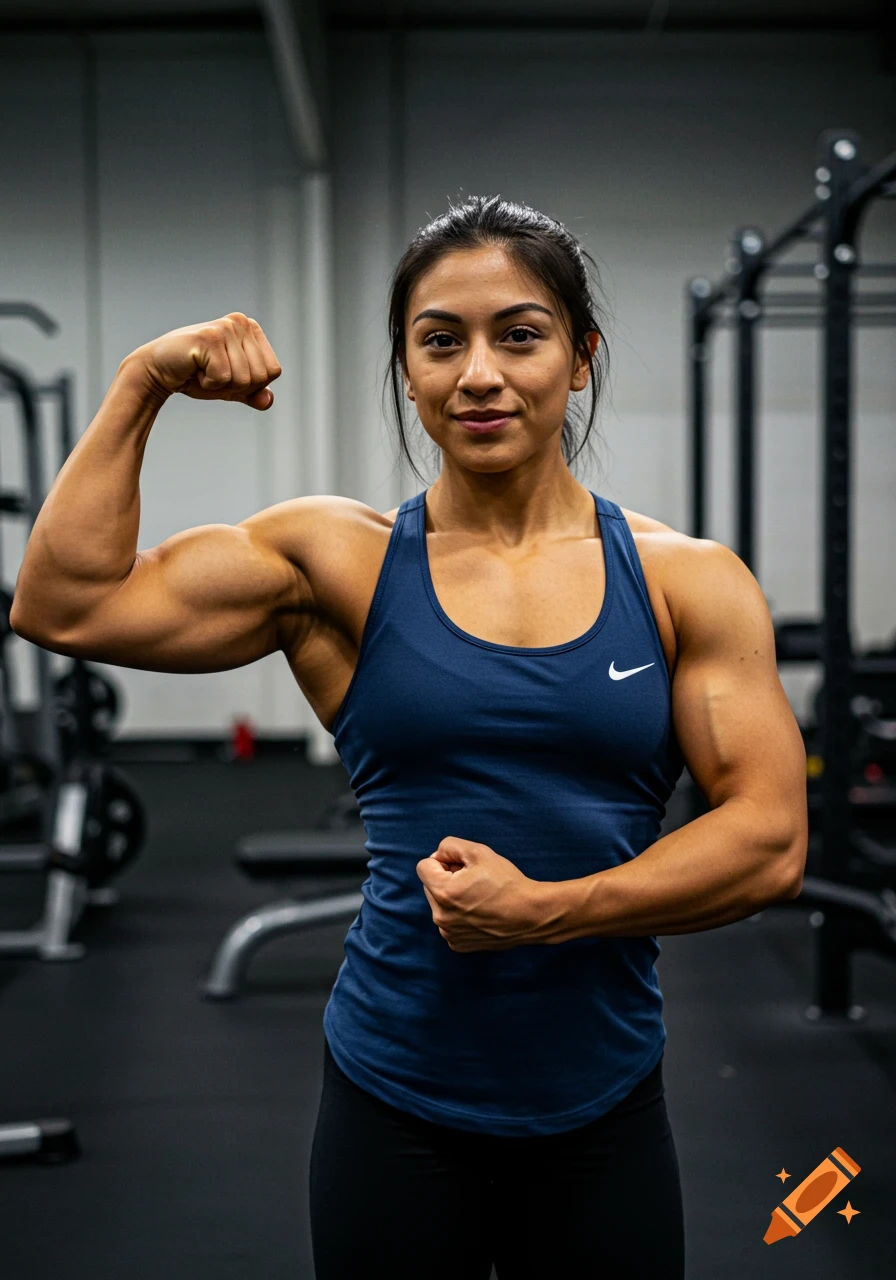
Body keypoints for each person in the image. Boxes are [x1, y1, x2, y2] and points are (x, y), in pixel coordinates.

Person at [11, 196, 808, 1279]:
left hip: (603, 1096)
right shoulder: (330, 562)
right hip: (393, 1092)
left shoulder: (683, 581)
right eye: (440, 341)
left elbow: (767, 837)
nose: (477, 372)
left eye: (517, 335)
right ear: (407, 368)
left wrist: (546, 912)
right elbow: (64, 603)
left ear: (580, 359)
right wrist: (143, 382)